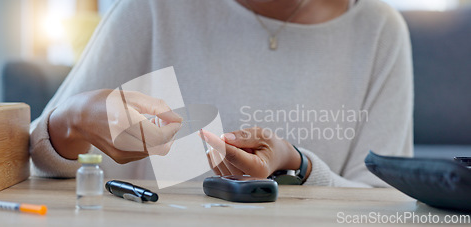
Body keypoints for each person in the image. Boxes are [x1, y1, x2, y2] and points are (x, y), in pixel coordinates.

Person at [30, 0, 413, 187]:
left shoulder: (379, 32)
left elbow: (384, 204)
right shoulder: (155, 9)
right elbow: (30, 162)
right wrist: (74, 120)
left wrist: (299, 167)